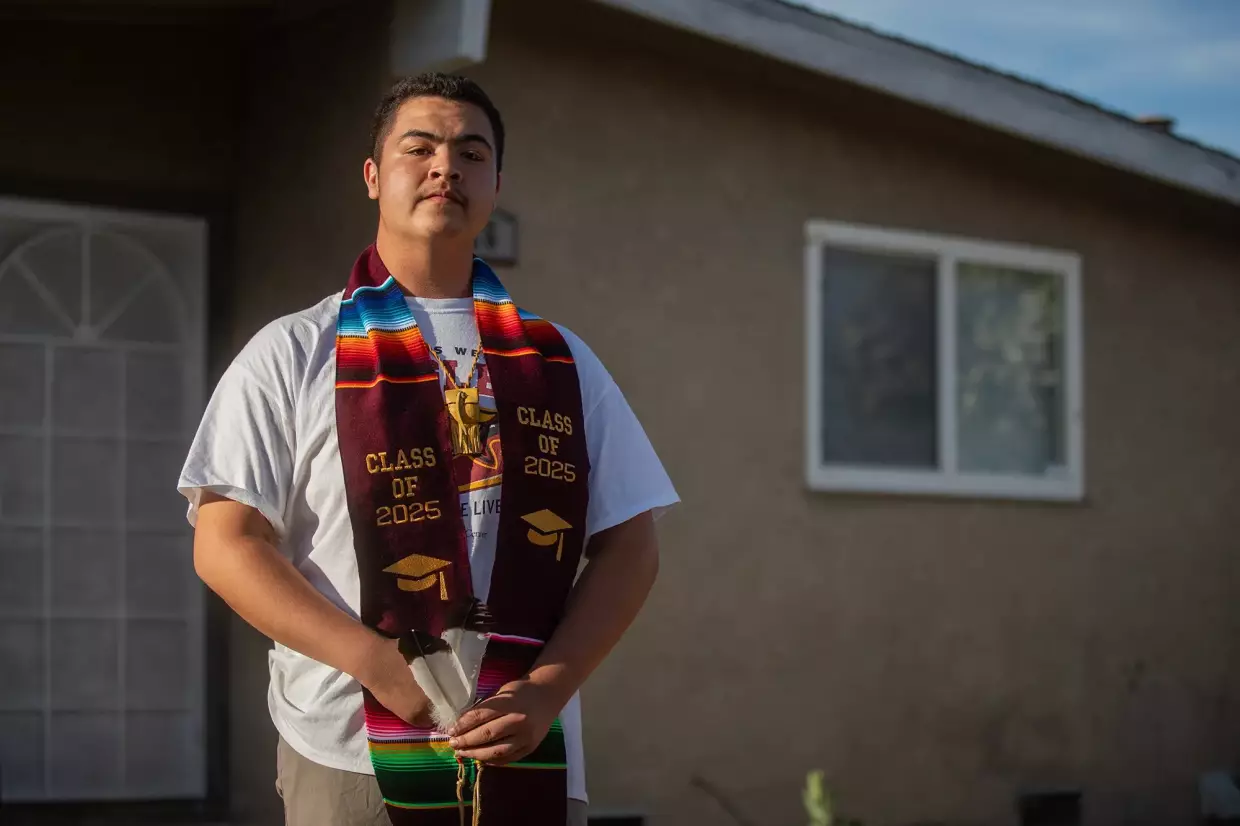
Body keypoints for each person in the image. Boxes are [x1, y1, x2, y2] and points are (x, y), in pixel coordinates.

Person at [178, 72, 678, 826]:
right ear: (373, 176)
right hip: (350, 749)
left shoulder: (560, 362)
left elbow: (631, 546)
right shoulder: (293, 352)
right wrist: (374, 661)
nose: (447, 167)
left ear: (496, 184)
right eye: (420, 148)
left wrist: (547, 688)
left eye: (472, 153)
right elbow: (226, 544)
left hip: (525, 748)